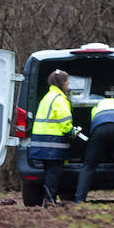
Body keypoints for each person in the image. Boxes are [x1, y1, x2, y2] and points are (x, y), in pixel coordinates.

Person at [74, 96, 114, 204]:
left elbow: (88, 127)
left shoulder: (96, 106)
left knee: (88, 166)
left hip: (99, 129)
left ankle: (80, 198)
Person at [30, 69, 73, 205]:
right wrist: (72, 131)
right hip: (53, 142)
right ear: (62, 83)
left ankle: (48, 199)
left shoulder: (48, 97)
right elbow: (65, 121)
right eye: (67, 81)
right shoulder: (59, 99)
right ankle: (49, 200)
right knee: (54, 173)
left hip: (41, 141)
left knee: (49, 172)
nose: (68, 83)